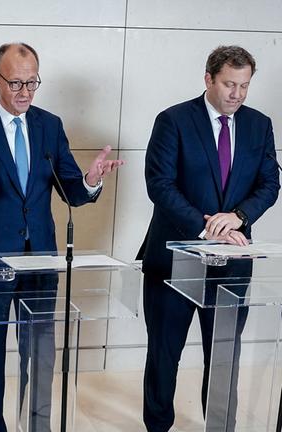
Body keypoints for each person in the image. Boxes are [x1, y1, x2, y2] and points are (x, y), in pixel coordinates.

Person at [0, 42, 122, 431]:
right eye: (16, 83)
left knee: (39, 355)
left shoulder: (49, 126)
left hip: (40, 262)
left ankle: (36, 425)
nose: (25, 92)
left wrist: (89, 181)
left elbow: (70, 188)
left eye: (32, 82)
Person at [139, 45, 279, 431]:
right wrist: (208, 228)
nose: (237, 94)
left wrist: (238, 217)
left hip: (232, 264)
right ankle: (157, 426)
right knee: (164, 354)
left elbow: (270, 184)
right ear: (209, 79)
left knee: (223, 357)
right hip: (173, 260)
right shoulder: (173, 120)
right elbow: (160, 185)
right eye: (229, 84)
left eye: (244, 86)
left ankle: (219, 426)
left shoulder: (259, 125)